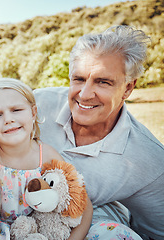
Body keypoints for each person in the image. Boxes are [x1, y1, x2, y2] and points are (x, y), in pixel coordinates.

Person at [34, 25, 164, 240]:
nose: (84, 95)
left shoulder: (150, 160)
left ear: (128, 88)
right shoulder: (35, 104)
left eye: (103, 82)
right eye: (79, 79)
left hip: (90, 222)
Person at [0, 78, 93, 240]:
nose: (8, 119)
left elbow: (84, 204)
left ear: (33, 113)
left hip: (38, 232)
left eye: (16, 110)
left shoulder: (46, 156)